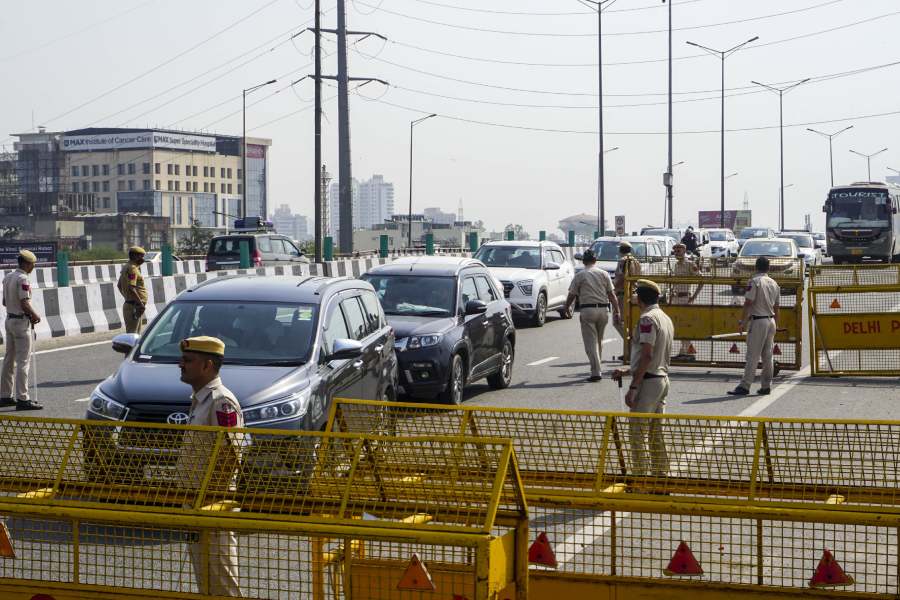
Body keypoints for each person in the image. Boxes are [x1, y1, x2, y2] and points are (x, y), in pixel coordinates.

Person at [176, 336, 243, 597]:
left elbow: (231, 454)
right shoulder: (200, 399)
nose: (181, 364)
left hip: (212, 507)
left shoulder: (221, 402)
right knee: (206, 583)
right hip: (195, 504)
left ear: (207, 365)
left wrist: (210, 501)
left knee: (222, 585)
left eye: (188, 360)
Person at [612, 279, 673, 478]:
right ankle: (660, 474)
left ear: (641, 299)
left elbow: (647, 354)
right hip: (661, 379)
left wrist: (634, 387)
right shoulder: (664, 317)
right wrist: (629, 370)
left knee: (637, 433)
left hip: (648, 383)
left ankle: (641, 477)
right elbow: (652, 357)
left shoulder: (647, 319)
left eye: (636, 294)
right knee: (656, 432)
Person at [564, 249, 620, 382]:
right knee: (599, 342)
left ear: (583, 261)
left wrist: (566, 307)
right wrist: (617, 310)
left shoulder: (580, 275)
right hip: (603, 311)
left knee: (591, 343)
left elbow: (572, 294)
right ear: (595, 260)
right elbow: (611, 295)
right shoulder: (604, 274)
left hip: (587, 311)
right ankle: (597, 368)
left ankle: (596, 372)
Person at [728, 257, 780, 396]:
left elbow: (748, 302)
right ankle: (766, 386)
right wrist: (777, 324)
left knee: (752, 355)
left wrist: (742, 322)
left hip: (758, 321)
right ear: (768, 268)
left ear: (756, 267)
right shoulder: (774, 283)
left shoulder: (754, 281)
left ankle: (745, 386)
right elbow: (777, 307)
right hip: (771, 320)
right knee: (767, 356)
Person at [1, 250, 43, 410]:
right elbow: (24, 302)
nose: (33, 267)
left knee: (8, 360)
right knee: (23, 362)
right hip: (20, 323)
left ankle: (5, 395)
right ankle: (23, 398)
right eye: (32, 264)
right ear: (26, 263)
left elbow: (5, 301)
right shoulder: (23, 278)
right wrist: (34, 315)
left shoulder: (8, 277)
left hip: (9, 319)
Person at [668, 243, 702, 359]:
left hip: (685, 298)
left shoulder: (690, 263)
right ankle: (684, 350)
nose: (676, 252)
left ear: (684, 250)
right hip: (675, 297)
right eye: (675, 250)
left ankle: (687, 351)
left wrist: (693, 297)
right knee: (676, 324)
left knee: (685, 323)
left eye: (679, 250)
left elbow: (701, 280)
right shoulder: (676, 264)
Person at [612, 241, 642, 351]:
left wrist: (613, 290)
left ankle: (630, 345)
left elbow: (622, 278)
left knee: (617, 321)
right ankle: (630, 346)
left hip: (622, 294)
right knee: (630, 322)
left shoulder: (623, 261)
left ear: (620, 250)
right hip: (633, 294)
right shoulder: (636, 261)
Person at [117, 246, 148, 334]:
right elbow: (132, 287)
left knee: (135, 334)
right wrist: (140, 303)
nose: (142, 259)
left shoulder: (127, 267)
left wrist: (128, 298)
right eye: (140, 256)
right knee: (133, 335)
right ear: (134, 256)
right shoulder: (133, 269)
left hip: (132, 304)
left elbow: (119, 285)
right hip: (134, 306)